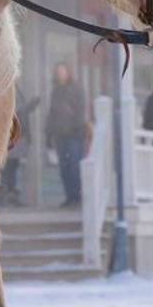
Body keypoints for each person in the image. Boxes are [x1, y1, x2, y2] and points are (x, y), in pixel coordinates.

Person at [45, 63, 89, 209]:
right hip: (60, 136)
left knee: (74, 167)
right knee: (64, 168)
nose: (60, 74)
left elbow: (81, 111)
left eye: (62, 72)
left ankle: (77, 197)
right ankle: (70, 197)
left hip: (74, 135)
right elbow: (51, 114)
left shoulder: (77, 89)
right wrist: (48, 134)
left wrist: (76, 128)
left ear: (68, 73)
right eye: (58, 72)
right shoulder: (55, 91)